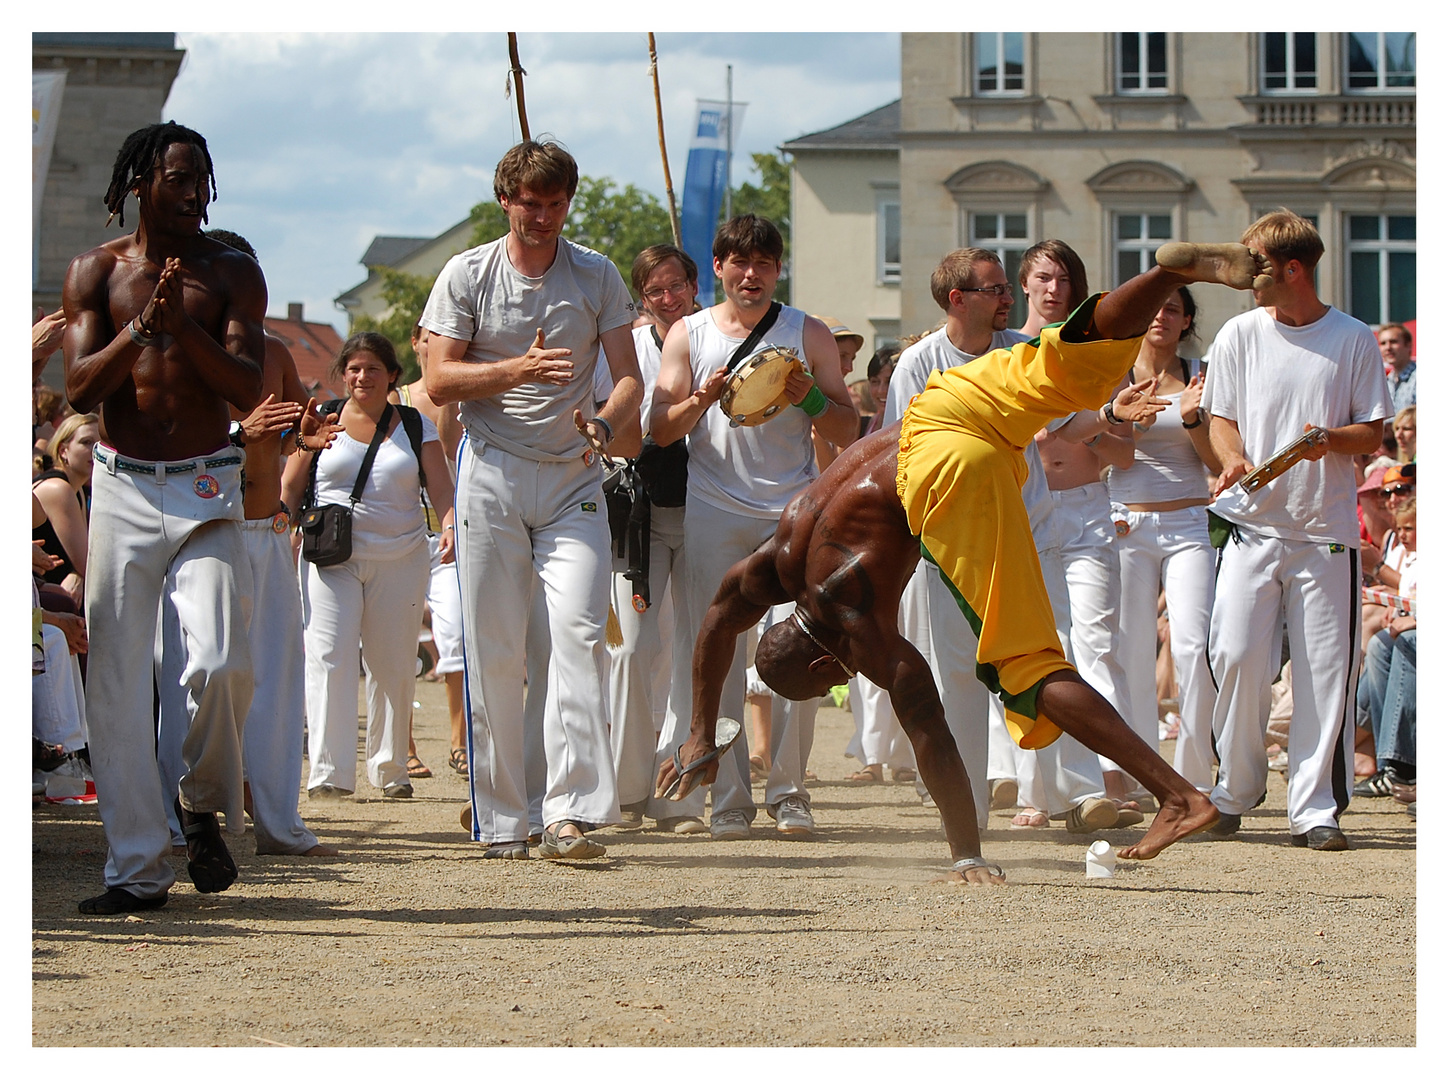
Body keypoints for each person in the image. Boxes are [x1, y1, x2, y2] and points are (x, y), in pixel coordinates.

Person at [655, 243, 1261, 880]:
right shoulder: (781, 553)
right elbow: (719, 620)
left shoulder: (852, 618)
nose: (843, 680)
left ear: (820, 656)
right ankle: (1168, 271)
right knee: (1059, 362)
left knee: (1026, 663)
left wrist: (965, 852)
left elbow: (930, 730)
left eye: (832, 678)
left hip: (946, 472)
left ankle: (1175, 793)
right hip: (941, 410)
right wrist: (699, 729)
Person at [63, 121, 265, 915]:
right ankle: (137, 871)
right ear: (140, 183)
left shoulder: (230, 271)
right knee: (114, 683)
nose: (192, 194)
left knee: (220, 660)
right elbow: (79, 390)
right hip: (121, 483)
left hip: (207, 482)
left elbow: (248, 388)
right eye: (178, 179)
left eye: (201, 180)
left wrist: (181, 326)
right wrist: (141, 330)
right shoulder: (96, 271)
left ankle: (201, 800)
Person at [421, 139, 644, 861]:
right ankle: (501, 816)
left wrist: (606, 423)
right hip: (490, 469)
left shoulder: (596, 274)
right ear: (504, 201)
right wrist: (518, 368)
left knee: (578, 637)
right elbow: (439, 383)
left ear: (567, 203)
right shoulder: (467, 274)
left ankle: (570, 813)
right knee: (495, 651)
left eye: (554, 204)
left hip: (575, 473)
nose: (541, 217)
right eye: (529, 204)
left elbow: (630, 378)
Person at [650, 214, 858, 840]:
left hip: (791, 512)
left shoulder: (808, 332)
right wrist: (702, 399)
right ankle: (729, 799)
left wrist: (810, 400)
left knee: (802, 647)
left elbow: (849, 431)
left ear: (777, 270)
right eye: (739, 263)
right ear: (717, 268)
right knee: (716, 653)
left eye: (764, 264)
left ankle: (790, 792)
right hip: (713, 509)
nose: (751, 275)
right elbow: (660, 429)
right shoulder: (686, 335)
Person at [1203, 211, 1393, 851]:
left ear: (1293, 269)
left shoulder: (1354, 338)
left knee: (1323, 672)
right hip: (1251, 528)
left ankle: (1313, 808)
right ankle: (1235, 790)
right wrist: (1231, 459)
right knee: (1233, 656)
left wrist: (1326, 443)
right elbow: (1220, 417)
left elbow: (1373, 431)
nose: (1242, 275)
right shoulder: (1236, 334)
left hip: (1325, 532)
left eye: (1253, 264)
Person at [154, 227, 339, 859]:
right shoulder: (177, 350)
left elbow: (283, 435)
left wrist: (302, 442)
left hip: (266, 531)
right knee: (198, 675)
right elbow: (165, 444)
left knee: (277, 681)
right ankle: (186, 816)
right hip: (207, 531)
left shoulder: (277, 352)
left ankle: (277, 820)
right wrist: (236, 430)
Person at [281, 332, 454, 801]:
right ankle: (329, 772)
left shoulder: (416, 425)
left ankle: (391, 768)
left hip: (401, 557)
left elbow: (441, 489)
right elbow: (292, 485)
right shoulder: (323, 419)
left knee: (393, 663)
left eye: (372, 369)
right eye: (354, 368)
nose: (362, 377)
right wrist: (282, 528)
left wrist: (453, 523)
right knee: (329, 658)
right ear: (343, 373)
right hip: (330, 557)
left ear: (392, 375)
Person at [1022, 240, 1149, 819]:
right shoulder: (1005, 353)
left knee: (1097, 643)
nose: (1055, 290)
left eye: (1065, 280)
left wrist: (1085, 431)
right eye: (1045, 278)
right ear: (1025, 284)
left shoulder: (1095, 357)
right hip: (1024, 512)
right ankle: (1037, 791)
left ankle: (1113, 776)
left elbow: (1124, 456)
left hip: (1086, 509)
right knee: (1035, 649)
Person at [596, 243, 708, 834]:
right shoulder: (629, 350)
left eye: (676, 287)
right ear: (642, 298)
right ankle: (627, 786)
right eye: (655, 291)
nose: (668, 299)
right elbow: (615, 423)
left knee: (694, 655)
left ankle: (680, 793)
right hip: (639, 518)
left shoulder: (717, 339)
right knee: (633, 650)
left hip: (705, 512)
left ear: (694, 286)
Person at [1109, 286, 1221, 793]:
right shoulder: (1114, 374)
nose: (1160, 316)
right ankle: (1142, 777)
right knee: (1130, 651)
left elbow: (1219, 463)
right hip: (1125, 524)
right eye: (1153, 309)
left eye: (1172, 309)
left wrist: (1192, 416)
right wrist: (1129, 423)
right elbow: (1106, 455)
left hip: (1189, 524)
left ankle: (1194, 779)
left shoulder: (1202, 375)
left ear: (1186, 321)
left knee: (1195, 647)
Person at [395, 322, 466, 779]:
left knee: (457, 635)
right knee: (395, 642)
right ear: (418, 340)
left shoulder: (468, 395)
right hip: (400, 535)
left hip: (453, 533)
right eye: (429, 337)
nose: (434, 346)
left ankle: (461, 743)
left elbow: (454, 449)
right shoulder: (394, 400)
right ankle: (404, 746)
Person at [32, 412, 99, 609]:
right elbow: (89, 566)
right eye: (86, 442)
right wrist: (79, 573)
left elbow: (83, 565)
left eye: (100, 445)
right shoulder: (58, 489)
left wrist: (76, 575)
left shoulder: (77, 490)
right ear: (63, 450)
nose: (94, 451)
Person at [1376, 323, 1415, 413]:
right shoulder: (1386, 381)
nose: (1388, 347)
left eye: (1393, 342)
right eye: (1383, 343)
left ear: (1408, 345)